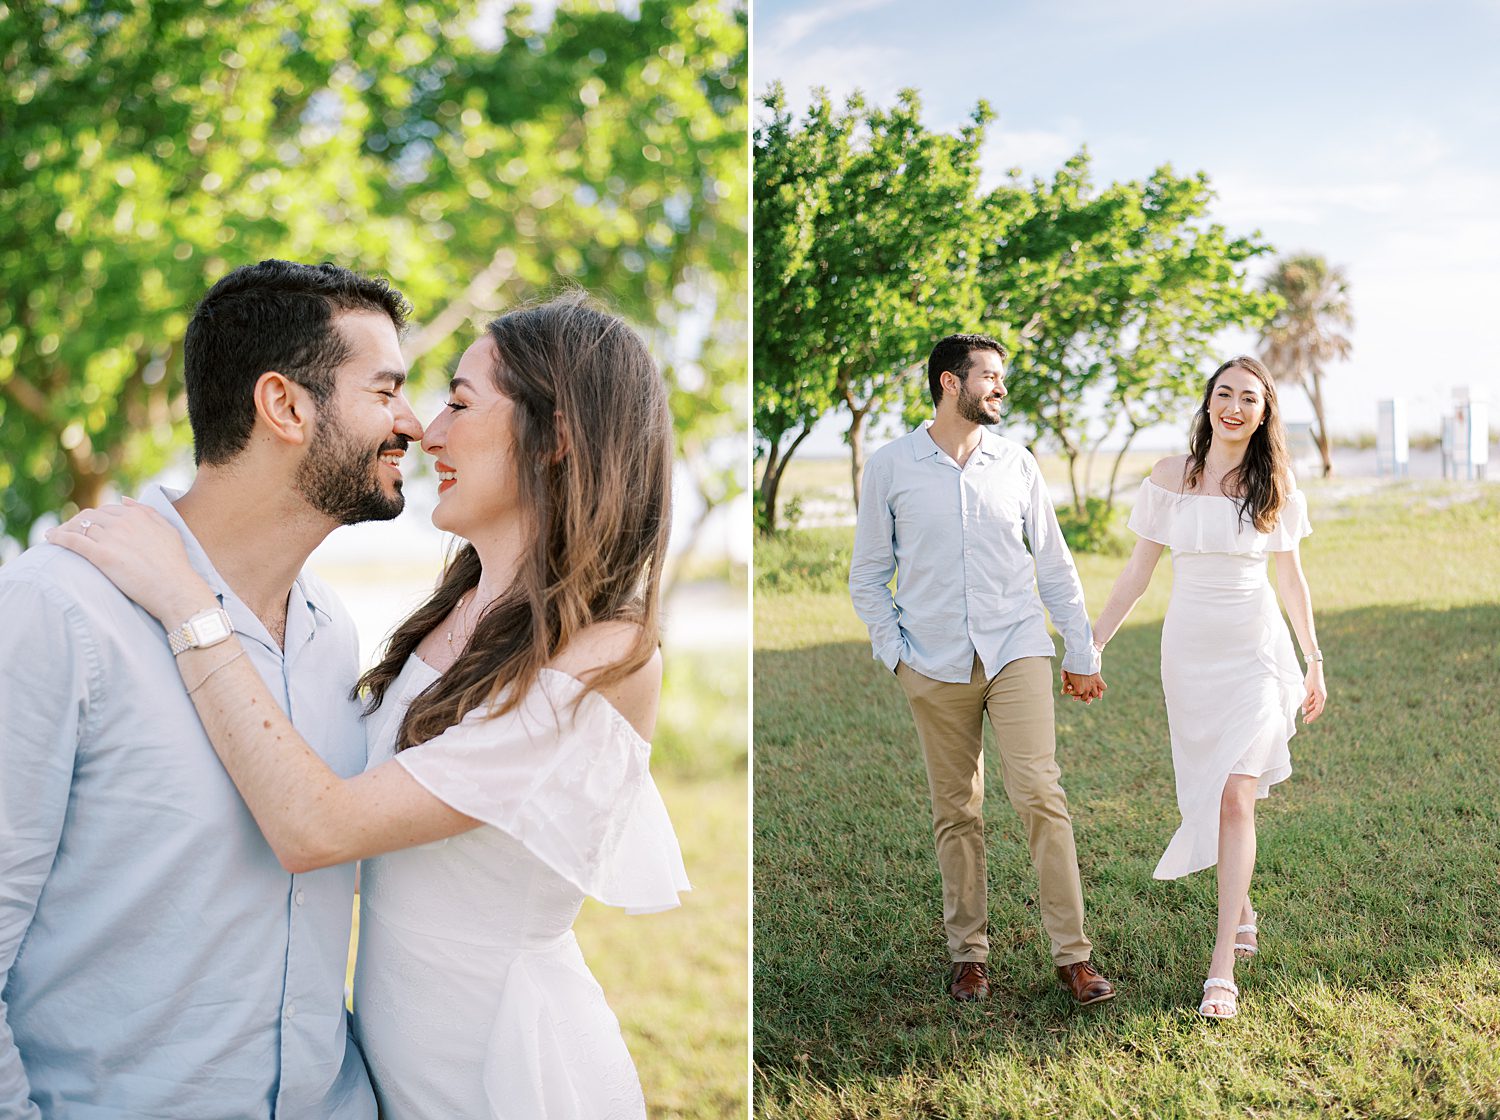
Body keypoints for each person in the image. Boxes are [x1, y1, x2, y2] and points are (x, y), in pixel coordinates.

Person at [49, 292, 690, 1119]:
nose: (428, 431)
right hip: (387, 1076)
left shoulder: (607, 653)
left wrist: (187, 600)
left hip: (502, 1078)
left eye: (461, 402)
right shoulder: (452, 613)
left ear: (558, 436)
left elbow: (320, 826)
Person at [0, 259, 421, 1117]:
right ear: (285, 406)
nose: (413, 422)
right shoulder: (56, 610)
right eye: (386, 391)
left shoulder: (329, 629)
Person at [849, 332, 1117, 1006]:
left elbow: (1054, 565)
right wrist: (898, 656)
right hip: (932, 662)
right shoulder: (890, 466)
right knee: (957, 812)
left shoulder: (1016, 464)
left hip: (1016, 647)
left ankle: (1073, 957)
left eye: (1002, 377)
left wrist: (1081, 653)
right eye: (990, 377)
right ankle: (969, 957)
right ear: (949, 382)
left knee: (1040, 795)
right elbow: (868, 576)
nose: (1001, 388)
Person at [1089, 355, 1326, 1020]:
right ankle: (1240, 900)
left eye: (1249, 397)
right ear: (1208, 403)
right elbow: (1138, 574)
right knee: (1207, 788)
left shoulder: (1275, 480)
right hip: (1188, 656)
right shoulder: (1171, 478)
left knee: (1234, 795)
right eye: (1224, 393)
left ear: (1264, 411)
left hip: (1254, 653)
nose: (1234, 405)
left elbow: (1291, 579)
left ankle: (1221, 967)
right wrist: (1094, 642)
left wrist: (1314, 658)